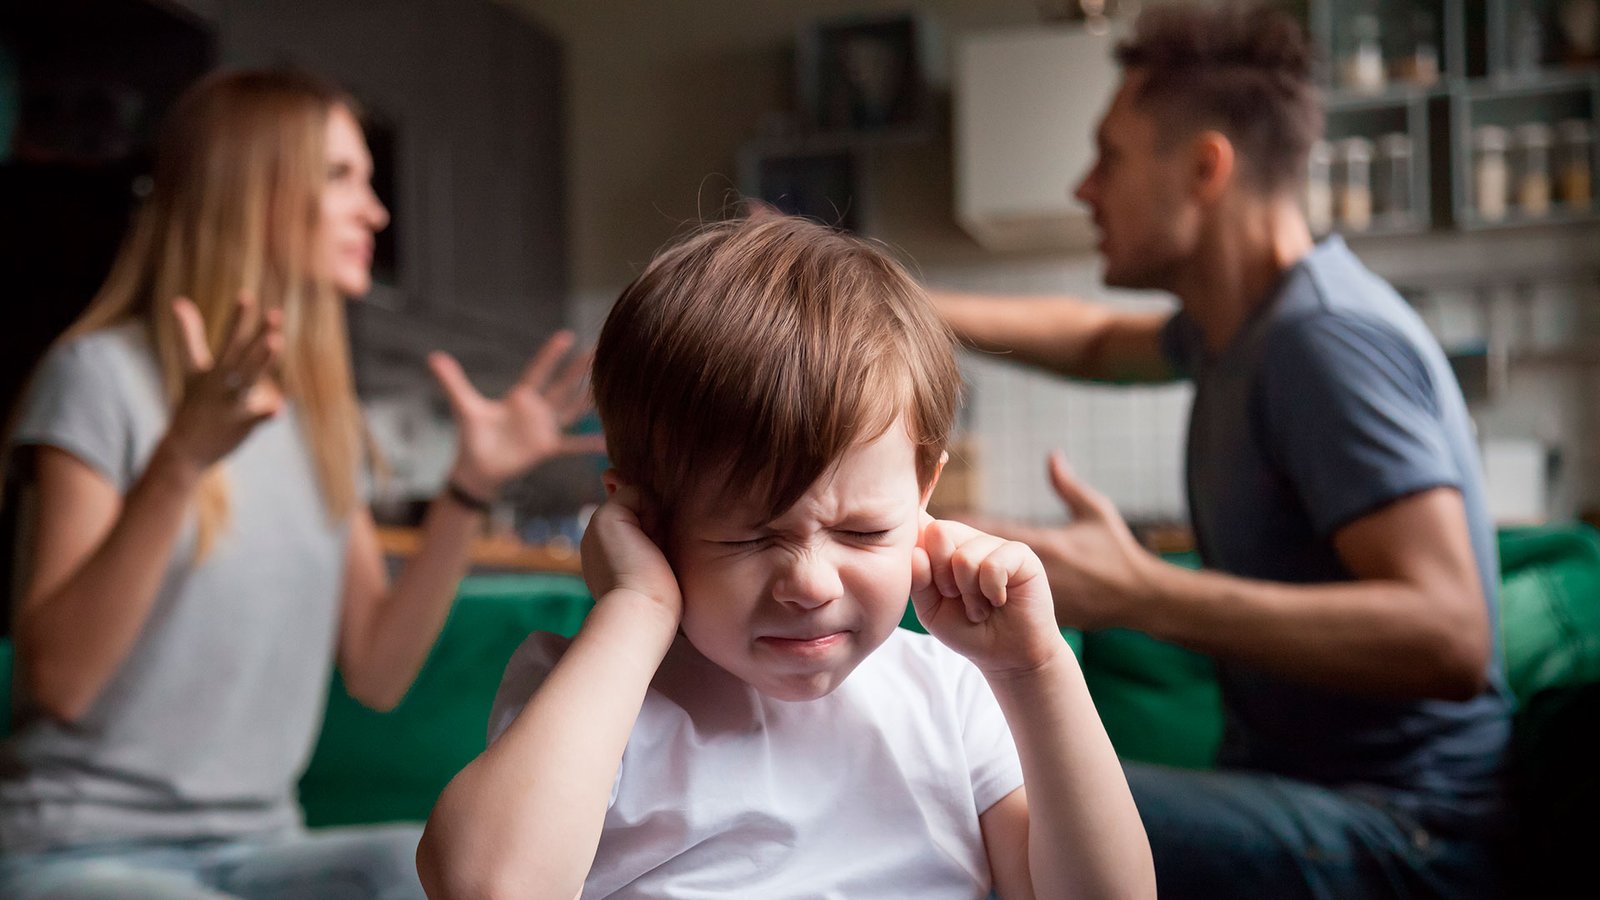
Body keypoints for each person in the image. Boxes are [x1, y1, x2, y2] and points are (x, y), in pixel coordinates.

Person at [932, 5, 1512, 899]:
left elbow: (1453, 634)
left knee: (999, 814)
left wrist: (1138, 592)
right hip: (1313, 795)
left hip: (1405, 830)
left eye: (1110, 157)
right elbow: (1087, 340)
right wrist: (890, 295)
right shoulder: (1235, 329)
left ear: (1206, 167)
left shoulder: (1320, 340)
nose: (1084, 189)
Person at [414, 214, 1156, 899]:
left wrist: (1035, 672)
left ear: (923, 490)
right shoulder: (590, 696)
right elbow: (487, 887)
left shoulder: (953, 696)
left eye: (863, 532)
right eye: (748, 536)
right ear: (641, 518)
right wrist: (635, 610)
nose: (809, 583)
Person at [0, 70, 601, 899]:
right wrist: (180, 461)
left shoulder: (320, 417)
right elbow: (58, 681)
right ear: (256, 193)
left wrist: (467, 489)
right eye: (343, 178)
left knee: (436, 874)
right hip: (81, 850)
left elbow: (378, 671)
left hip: (260, 848)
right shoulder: (99, 378)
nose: (376, 212)